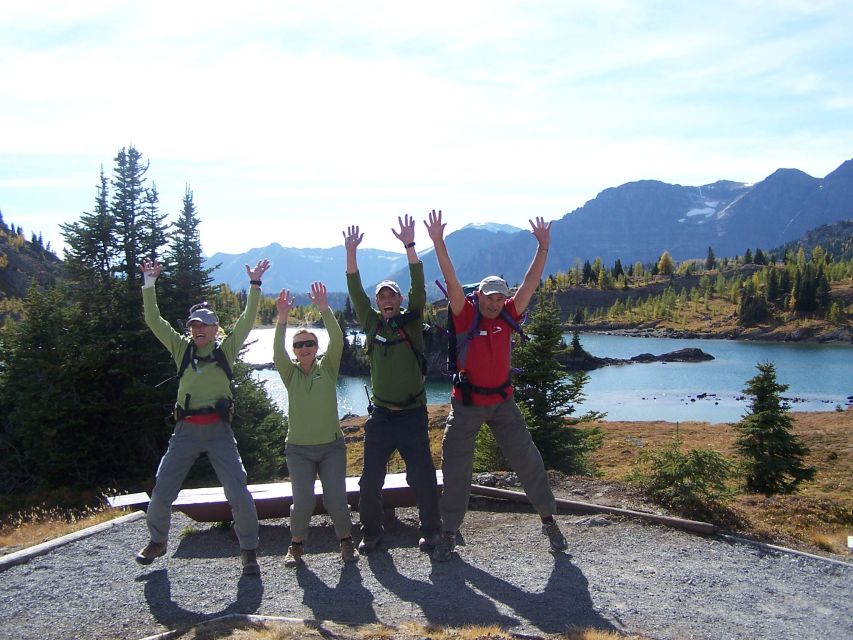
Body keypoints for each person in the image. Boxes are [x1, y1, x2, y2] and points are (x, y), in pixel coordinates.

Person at [424, 209, 569, 562]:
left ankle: (549, 520)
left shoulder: (509, 314)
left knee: (529, 462)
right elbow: (452, 280)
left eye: (499, 297)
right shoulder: (465, 313)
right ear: (480, 296)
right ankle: (449, 531)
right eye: (489, 296)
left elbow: (531, 282)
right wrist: (439, 242)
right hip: (467, 404)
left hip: (504, 405)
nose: (494, 302)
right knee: (456, 469)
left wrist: (544, 248)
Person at [135, 257, 270, 576]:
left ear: (214, 329)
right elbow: (154, 320)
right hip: (185, 431)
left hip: (220, 432)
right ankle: (157, 541)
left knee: (238, 491)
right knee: (163, 487)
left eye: (203, 325)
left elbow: (248, 320)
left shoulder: (226, 350)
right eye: (193, 325)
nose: (197, 330)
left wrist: (254, 285)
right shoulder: (182, 350)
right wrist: (149, 284)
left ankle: (249, 550)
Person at [344, 215, 441, 553]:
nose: (387, 300)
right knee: (369, 481)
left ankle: (432, 531)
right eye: (381, 296)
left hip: (413, 415)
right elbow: (354, 288)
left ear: (399, 301)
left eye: (391, 296)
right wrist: (350, 252)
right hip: (381, 417)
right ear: (377, 303)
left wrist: (411, 247)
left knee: (424, 479)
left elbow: (420, 286)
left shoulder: (412, 324)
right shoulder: (370, 324)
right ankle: (371, 533)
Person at [273, 282, 359, 567]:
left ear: (316, 347)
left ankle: (346, 542)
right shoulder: (290, 374)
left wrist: (324, 308)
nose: (305, 348)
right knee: (304, 502)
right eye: (299, 345)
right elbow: (277, 352)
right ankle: (296, 545)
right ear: (295, 351)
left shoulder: (328, 368)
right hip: (298, 450)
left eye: (310, 343)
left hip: (331, 447)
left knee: (336, 500)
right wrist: (282, 319)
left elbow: (338, 339)